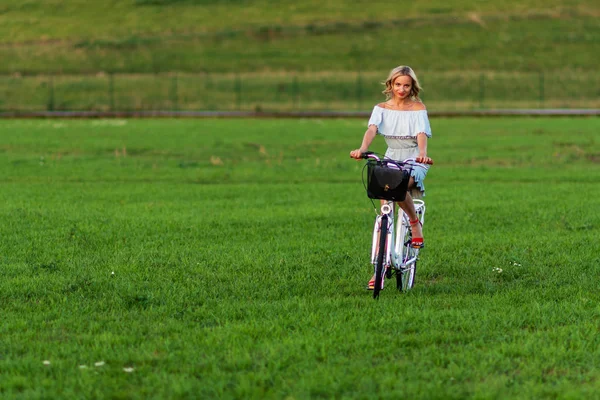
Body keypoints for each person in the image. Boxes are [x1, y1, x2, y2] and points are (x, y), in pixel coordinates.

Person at [349, 65, 433, 290]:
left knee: (400, 188)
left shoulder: (418, 108)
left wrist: (422, 155)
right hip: (390, 156)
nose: (402, 89)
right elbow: (371, 130)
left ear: (412, 86)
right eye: (398, 84)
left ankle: (414, 223)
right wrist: (362, 148)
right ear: (391, 85)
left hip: (413, 157)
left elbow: (421, 134)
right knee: (385, 207)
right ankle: (380, 268)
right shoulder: (381, 108)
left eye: (406, 85)